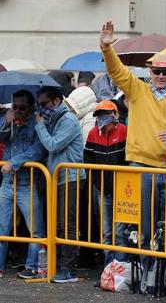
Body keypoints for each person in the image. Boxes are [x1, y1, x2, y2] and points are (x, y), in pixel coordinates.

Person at [100, 21, 166, 255]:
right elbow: (117, 72)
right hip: (141, 165)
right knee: (143, 225)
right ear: (150, 72)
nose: (161, 76)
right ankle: (145, 265)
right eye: (157, 71)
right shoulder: (137, 89)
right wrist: (107, 49)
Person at [34, 86, 85, 283]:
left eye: (45, 103)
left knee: (68, 224)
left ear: (56, 101)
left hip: (70, 177)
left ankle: (68, 269)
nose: (42, 108)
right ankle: (58, 266)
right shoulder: (55, 119)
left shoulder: (68, 120)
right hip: (57, 177)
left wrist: (39, 126)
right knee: (58, 224)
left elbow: (53, 144)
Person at [0, 90, 46, 279]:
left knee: (36, 230)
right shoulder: (7, 121)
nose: (17, 110)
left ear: (31, 107)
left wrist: (14, 162)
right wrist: (6, 124)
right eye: (15, 107)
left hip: (27, 184)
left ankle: (32, 267)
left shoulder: (37, 124)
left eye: (22, 107)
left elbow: (38, 151)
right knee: (2, 228)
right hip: (8, 183)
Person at [83, 100, 128, 265]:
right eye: (100, 114)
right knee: (107, 232)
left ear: (115, 114)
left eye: (106, 113)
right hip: (103, 189)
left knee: (120, 232)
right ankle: (108, 268)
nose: (103, 117)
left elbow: (129, 158)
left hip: (123, 190)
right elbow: (87, 159)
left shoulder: (124, 131)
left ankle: (121, 269)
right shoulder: (93, 133)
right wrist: (97, 181)